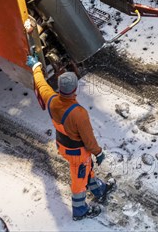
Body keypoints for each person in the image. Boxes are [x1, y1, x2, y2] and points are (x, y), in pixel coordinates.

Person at [26, 55, 113, 221]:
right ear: (74, 90)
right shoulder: (78, 114)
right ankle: (80, 209)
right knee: (79, 181)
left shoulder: (51, 99)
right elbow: (88, 140)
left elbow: (41, 83)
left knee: (87, 169)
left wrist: (36, 66)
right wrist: (98, 152)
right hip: (78, 153)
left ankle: (99, 190)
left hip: (63, 147)